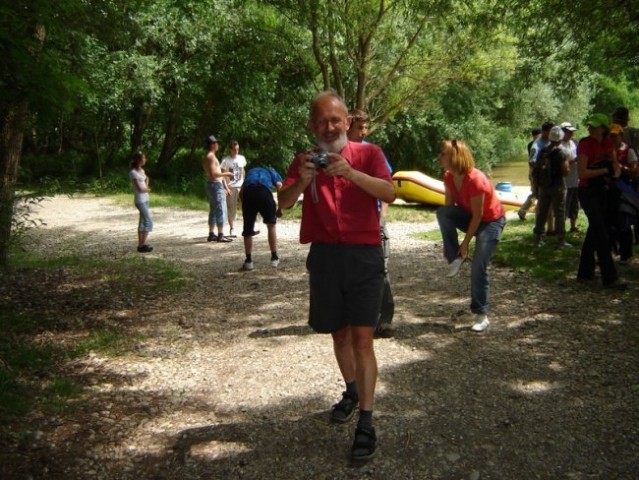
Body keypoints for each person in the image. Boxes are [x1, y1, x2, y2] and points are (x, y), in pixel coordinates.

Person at [278, 91, 395, 462]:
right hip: (326, 256)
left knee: (363, 338)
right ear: (312, 126)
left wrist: (350, 173)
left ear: (347, 122)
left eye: (335, 120)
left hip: (364, 254)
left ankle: (366, 421)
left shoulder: (368, 155)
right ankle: (351, 390)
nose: (329, 127)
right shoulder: (303, 160)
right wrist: (302, 180)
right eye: (321, 122)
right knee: (339, 333)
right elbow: (282, 203)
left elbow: (390, 191)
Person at [436, 139, 506, 333]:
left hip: (491, 221)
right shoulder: (449, 176)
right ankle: (455, 258)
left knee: (479, 265)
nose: (439, 157)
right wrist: (448, 244)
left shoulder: (476, 179)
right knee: (442, 212)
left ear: (455, 157)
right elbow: (449, 210)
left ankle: (481, 315)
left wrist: (465, 244)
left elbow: (478, 216)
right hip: (473, 217)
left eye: (443, 154)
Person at [347, 108, 394, 339]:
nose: (364, 132)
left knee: (381, 270)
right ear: (348, 126)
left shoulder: (373, 152)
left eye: (366, 127)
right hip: (350, 224)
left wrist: (381, 217)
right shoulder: (338, 153)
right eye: (360, 127)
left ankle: (385, 320)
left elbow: (388, 188)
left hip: (374, 222)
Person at [576, 113, 627, 290]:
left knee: (595, 230)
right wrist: (604, 170)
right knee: (601, 234)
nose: (590, 128)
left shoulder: (607, 143)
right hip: (587, 192)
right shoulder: (584, 144)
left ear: (603, 128)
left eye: (595, 126)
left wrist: (615, 173)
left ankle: (584, 272)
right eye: (590, 125)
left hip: (603, 192)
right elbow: (582, 173)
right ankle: (610, 278)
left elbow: (615, 166)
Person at [532, 126, 570, 247]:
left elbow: (536, 167)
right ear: (560, 138)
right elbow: (565, 172)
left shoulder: (543, 151)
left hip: (544, 186)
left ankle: (538, 238)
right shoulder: (561, 152)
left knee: (542, 212)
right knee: (559, 212)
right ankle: (561, 240)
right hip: (558, 186)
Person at [239, 166, 283, 270]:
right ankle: (274, 258)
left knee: (248, 230)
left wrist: (245, 208)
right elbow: (279, 186)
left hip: (249, 192)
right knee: (271, 225)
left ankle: (248, 261)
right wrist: (280, 208)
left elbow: (241, 192)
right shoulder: (272, 170)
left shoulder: (250, 172)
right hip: (264, 192)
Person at [608, 123, 638, 265]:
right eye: (610, 136)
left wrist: (621, 166)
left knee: (624, 222)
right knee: (610, 221)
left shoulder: (628, 151)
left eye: (615, 136)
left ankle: (626, 255)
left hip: (624, 190)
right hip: (609, 189)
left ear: (621, 136)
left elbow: (635, 173)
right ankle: (611, 251)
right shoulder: (607, 150)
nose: (612, 138)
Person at [518, 122, 554, 223]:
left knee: (536, 195)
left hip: (540, 173)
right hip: (536, 173)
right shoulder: (535, 145)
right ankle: (524, 211)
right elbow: (532, 162)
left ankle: (526, 212)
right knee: (536, 194)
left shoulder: (545, 142)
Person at [203, 135, 234, 242]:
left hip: (212, 185)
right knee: (221, 208)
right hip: (215, 185)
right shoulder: (211, 157)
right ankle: (221, 234)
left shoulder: (207, 156)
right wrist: (227, 173)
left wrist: (224, 185)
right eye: (216, 143)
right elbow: (213, 173)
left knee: (213, 209)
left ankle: (211, 233)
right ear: (212, 145)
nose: (218, 145)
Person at [220, 140, 247, 238]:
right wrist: (226, 188)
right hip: (231, 187)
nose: (236, 151)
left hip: (241, 187)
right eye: (235, 149)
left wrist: (245, 183)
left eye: (238, 149)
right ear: (230, 150)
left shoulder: (241, 159)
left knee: (246, 208)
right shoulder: (225, 161)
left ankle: (247, 228)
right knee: (232, 209)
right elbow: (222, 175)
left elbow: (243, 171)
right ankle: (232, 228)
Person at [129, 151, 154, 253]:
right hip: (140, 200)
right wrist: (148, 189)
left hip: (145, 199)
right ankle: (141, 245)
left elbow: (146, 178)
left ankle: (141, 245)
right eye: (144, 158)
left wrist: (147, 185)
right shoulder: (133, 173)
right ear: (139, 160)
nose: (145, 160)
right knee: (149, 222)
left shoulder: (142, 171)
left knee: (143, 222)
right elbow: (139, 189)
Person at [560, 122, 580, 233]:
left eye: (572, 132)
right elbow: (561, 163)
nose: (572, 134)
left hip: (575, 179)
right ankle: (561, 227)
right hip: (565, 180)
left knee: (574, 204)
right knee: (564, 205)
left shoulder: (572, 143)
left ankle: (573, 226)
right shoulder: (560, 145)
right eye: (569, 132)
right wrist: (575, 160)